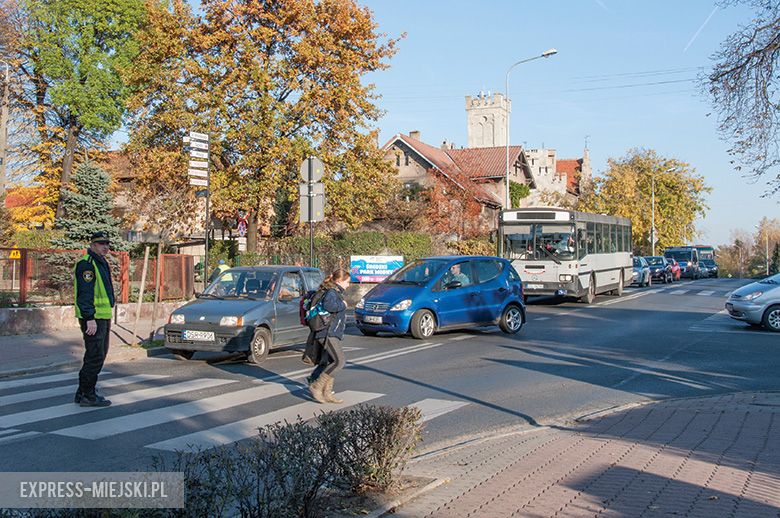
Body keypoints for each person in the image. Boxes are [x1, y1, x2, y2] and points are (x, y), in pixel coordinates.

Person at [73, 231, 116, 407]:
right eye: (101, 243)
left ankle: (82, 392)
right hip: (93, 318)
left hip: (102, 316)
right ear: (92, 245)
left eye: (107, 243)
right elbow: (85, 293)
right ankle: (88, 395)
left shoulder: (100, 262)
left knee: (97, 354)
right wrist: (89, 317)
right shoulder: (87, 264)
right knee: (95, 356)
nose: (105, 246)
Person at [308, 269, 350, 404]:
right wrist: (343, 305)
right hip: (327, 332)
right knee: (339, 361)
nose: (348, 285)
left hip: (331, 332)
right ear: (339, 281)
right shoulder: (332, 292)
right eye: (347, 282)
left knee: (331, 362)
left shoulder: (334, 292)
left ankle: (327, 393)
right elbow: (329, 306)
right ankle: (317, 386)